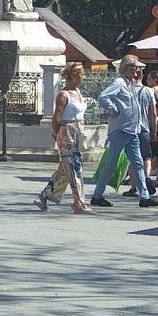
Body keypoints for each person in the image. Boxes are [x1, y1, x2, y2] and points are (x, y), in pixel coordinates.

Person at [87, 57, 158, 208]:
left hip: (132, 130)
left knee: (138, 163)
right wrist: (113, 109)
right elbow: (103, 97)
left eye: (137, 68)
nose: (136, 70)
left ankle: (145, 196)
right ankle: (97, 195)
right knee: (111, 164)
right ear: (125, 68)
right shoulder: (119, 83)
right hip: (120, 130)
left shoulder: (131, 84)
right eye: (133, 67)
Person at [37, 63, 92, 212]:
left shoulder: (78, 92)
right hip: (66, 132)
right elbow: (57, 118)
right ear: (74, 76)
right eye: (81, 74)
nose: (83, 78)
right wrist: (56, 136)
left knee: (65, 169)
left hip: (78, 131)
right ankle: (79, 203)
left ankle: (46, 194)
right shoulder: (63, 95)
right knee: (75, 168)